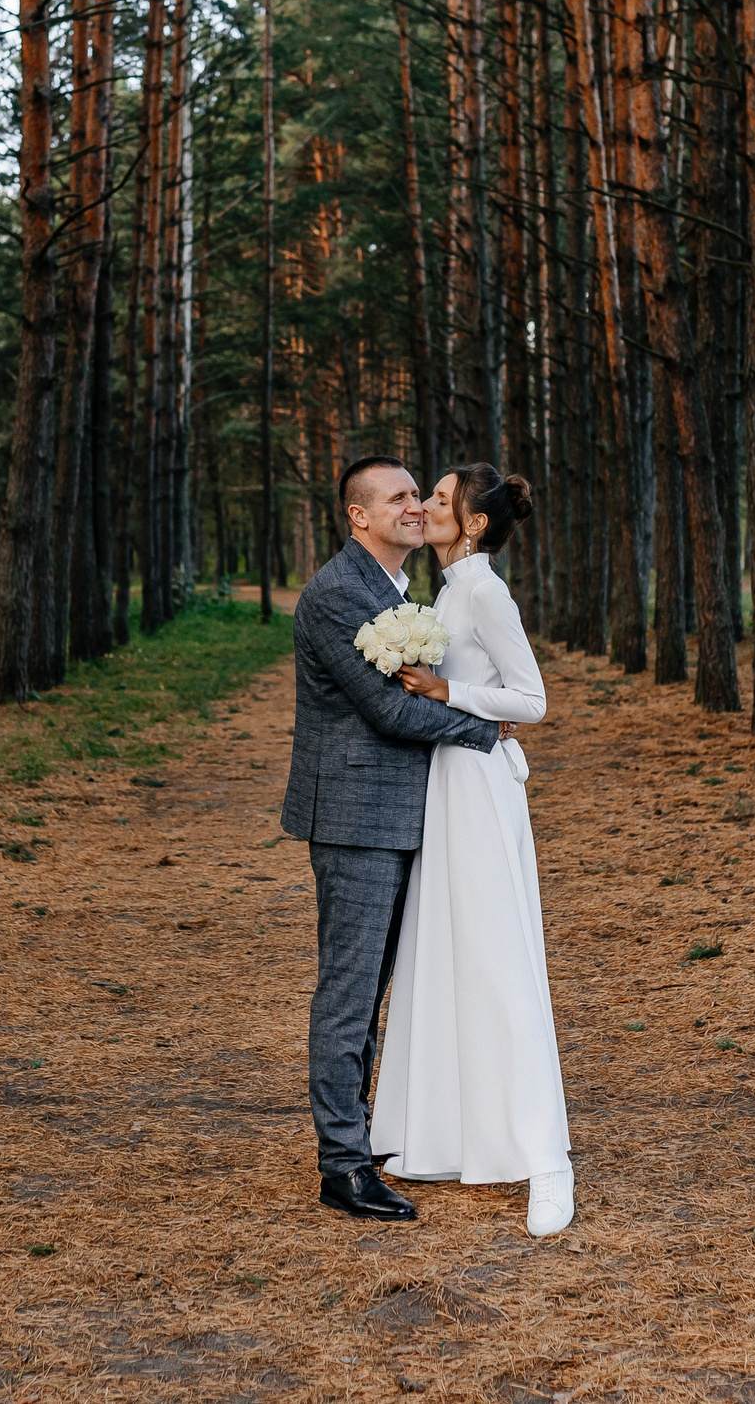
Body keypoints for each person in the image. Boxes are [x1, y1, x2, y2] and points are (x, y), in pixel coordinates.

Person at [280, 455, 506, 1223]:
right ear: (359, 516)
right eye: (400, 497)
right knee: (348, 994)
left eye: (420, 495)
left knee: (382, 991)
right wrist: (483, 729)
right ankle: (342, 1167)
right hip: (354, 820)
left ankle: (370, 1136)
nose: (416, 507)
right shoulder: (338, 593)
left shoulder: (400, 591)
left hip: (407, 815)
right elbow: (392, 713)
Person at [370, 465, 573, 1236]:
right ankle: (449, 1133)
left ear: (475, 522)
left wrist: (448, 694)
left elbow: (532, 700)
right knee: (444, 952)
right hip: (444, 785)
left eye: (442, 499)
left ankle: (547, 1159)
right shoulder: (449, 590)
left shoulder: (485, 592)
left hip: (480, 786)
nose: (425, 506)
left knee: (496, 958)